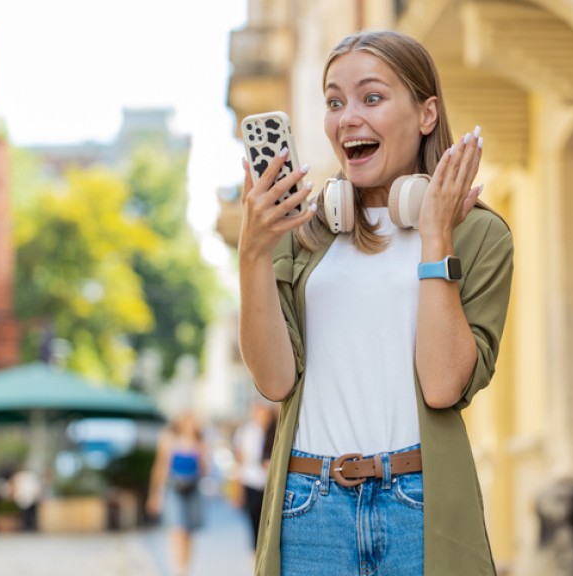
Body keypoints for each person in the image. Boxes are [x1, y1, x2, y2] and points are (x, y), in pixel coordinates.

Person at [237, 30, 514, 576]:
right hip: (309, 507)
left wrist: (435, 240)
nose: (347, 118)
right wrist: (252, 255)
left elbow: (442, 385)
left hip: (418, 506)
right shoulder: (302, 234)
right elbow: (274, 381)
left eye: (371, 97)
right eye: (334, 102)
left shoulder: (480, 235)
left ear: (427, 113)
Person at [147, 411, 209, 576]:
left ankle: (186, 569)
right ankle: (178, 570)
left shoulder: (200, 443)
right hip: (174, 489)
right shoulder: (169, 441)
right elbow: (160, 468)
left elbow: (205, 471)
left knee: (189, 533)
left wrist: (202, 453)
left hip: (193, 490)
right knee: (177, 531)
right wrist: (154, 494)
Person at [232, 401, 275, 553]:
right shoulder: (246, 431)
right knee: (255, 525)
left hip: (271, 484)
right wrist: (237, 489)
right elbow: (239, 463)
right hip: (251, 482)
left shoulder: (275, 430)